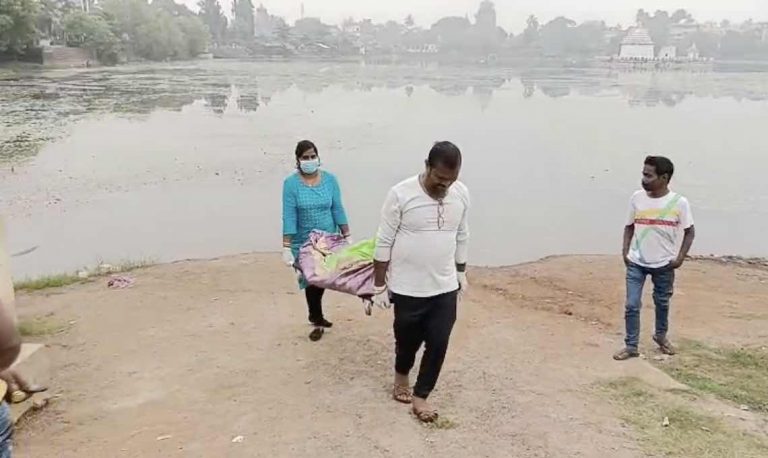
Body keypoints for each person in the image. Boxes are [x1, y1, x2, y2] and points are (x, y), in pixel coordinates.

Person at [372, 141, 470, 423]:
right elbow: (384, 240)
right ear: (427, 166)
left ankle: (421, 395)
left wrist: (460, 272)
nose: (445, 185)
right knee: (407, 341)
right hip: (407, 288)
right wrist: (379, 285)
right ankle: (401, 374)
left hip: (444, 286)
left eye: (451, 180)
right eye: (440, 178)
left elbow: (462, 234)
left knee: (439, 341)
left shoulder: (460, 194)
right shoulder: (401, 195)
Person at [614, 156, 695, 361]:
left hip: (664, 265)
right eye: (643, 173)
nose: (644, 178)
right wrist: (625, 251)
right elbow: (629, 226)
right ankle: (631, 346)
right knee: (632, 305)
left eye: (648, 175)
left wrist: (679, 259)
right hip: (636, 262)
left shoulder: (679, 203)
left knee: (662, 303)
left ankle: (660, 336)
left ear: (664, 177)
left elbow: (689, 232)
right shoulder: (636, 198)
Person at [282, 140, 351, 342]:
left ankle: (315, 313)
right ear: (298, 160)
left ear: (318, 158)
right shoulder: (291, 184)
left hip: (327, 238)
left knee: (323, 278)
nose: (310, 160)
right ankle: (317, 317)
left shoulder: (330, 180)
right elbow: (289, 215)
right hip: (303, 241)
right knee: (312, 279)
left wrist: (347, 234)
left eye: (313, 156)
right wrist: (286, 246)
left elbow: (337, 208)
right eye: (305, 157)